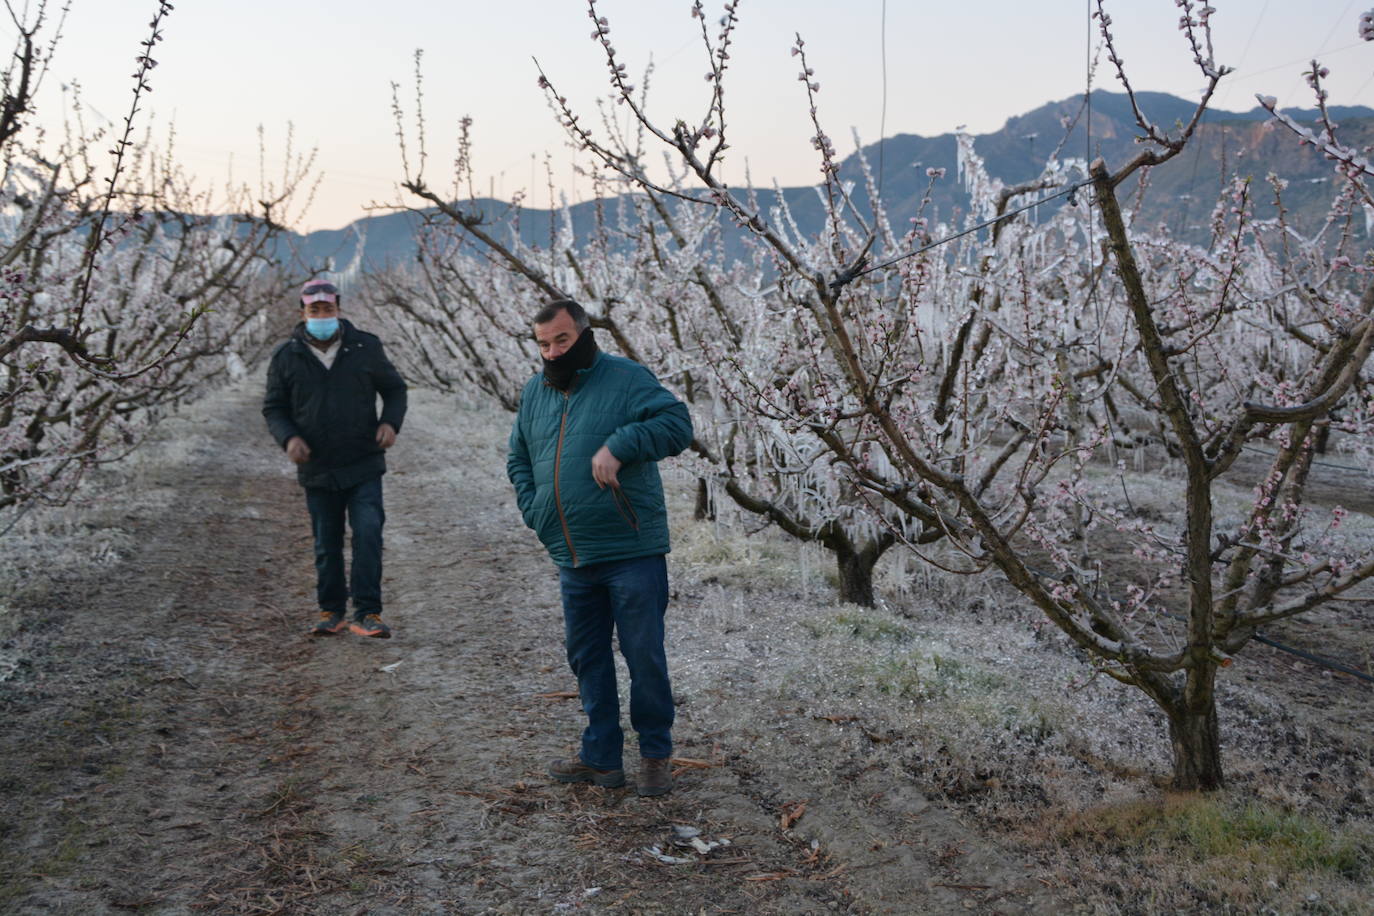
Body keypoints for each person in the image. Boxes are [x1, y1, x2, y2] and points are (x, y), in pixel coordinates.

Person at [507, 298, 692, 797]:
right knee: (587, 657)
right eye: (543, 344)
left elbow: (677, 425)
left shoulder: (626, 378)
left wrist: (620, 445)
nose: (552, 352)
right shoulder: (535, 391)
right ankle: (601, 757)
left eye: (561, 340)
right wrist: (536, 509)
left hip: (630, 549)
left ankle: (655, 756)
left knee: (643, 656)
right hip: (573, 553)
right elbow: (518, 456)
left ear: (584, 335)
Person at [263, 278, 408, 639]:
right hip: (317, 464)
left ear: (338, 309)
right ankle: (331, 611)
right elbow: (274, 407)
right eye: (314, 309)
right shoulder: (286, 356)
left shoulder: (365, 346)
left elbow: (394, 389)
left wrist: (390, 423)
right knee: (326, 542)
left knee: (368, 533)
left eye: (327, 308)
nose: (322, 315)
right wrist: (289, 438)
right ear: (303, 313)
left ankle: (368, 612)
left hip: (363, 460)